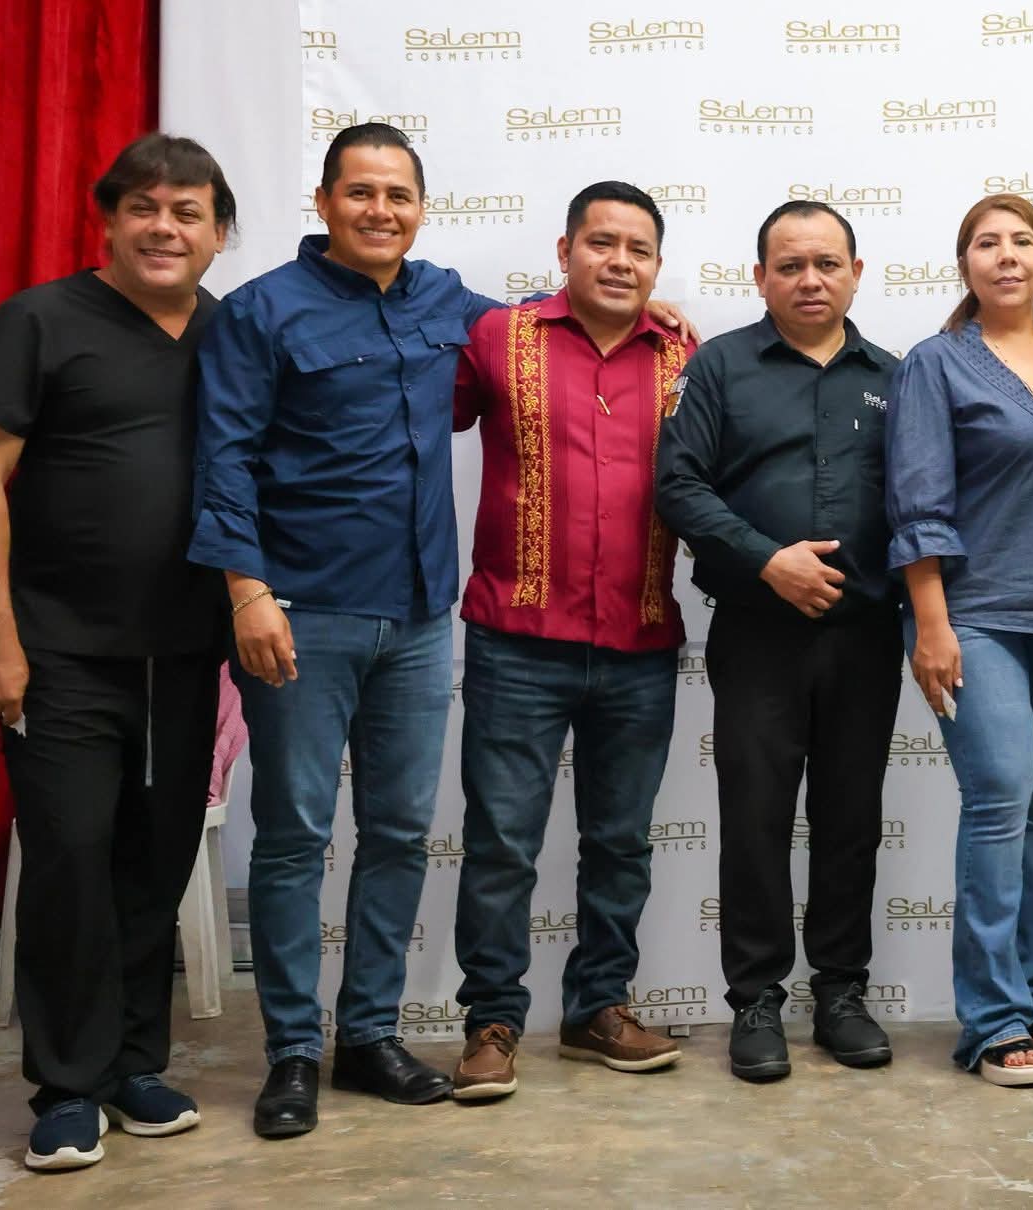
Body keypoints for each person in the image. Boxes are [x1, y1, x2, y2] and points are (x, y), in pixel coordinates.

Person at [192, 123, 494, 1137]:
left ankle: (367, 1034)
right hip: (300, 614)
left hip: (416, 616)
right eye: (359, 192)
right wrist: (246, 591)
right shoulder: (259, 312)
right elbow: (224, 459)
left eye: (397, 194)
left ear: (420, 206)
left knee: (402, 831)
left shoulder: (446, 301)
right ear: (322, 203)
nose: (379, 210)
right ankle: (289, 1051)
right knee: (294, 838)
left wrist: (646, 316)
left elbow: (541, 343)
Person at [0, 133, 232, 1172]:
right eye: (146, 208)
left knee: (150, 863)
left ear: (217, 231)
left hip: (184, 655)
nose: (166, 227)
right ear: (108, 219)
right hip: (58, 653)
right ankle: (65, 1085)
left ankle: (130, 1065)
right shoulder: (38, 321)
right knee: (68, 860)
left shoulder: (230, 332)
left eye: (189, 210)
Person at [446, 182, 693, 1100]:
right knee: (503, 841)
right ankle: (492, 1021)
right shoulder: (497, 339)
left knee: (620, 841)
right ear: (566, 251)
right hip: (517, 639)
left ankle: (599, 1008)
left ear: (657, 265)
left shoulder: (684, 355)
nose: (620, 261)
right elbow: (421, 407)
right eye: (602, 243)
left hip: (639, 638)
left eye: (638, 248)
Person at [656, 200, 902, 1082]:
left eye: (827, 264)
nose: (810, 279)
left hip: (867, 636)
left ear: (856, 274)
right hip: (758, 631)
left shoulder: (894, 376)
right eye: (790, 265)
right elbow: (678, 486)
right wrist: (768, 562)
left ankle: (841, 991)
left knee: (850, 819)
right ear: (760, 277)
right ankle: (756, 999)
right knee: (754, 818)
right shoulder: (720, 367)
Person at [885, 194, 1033, 1087]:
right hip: (975, 617)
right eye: (987, 242)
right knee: (998, 802)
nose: (1006, 256)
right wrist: (931, 624)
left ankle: (1029, 991)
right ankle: (988, 1020)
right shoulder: (934, 364)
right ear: (965, 264)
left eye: (1022, 241)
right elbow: (917, 500)